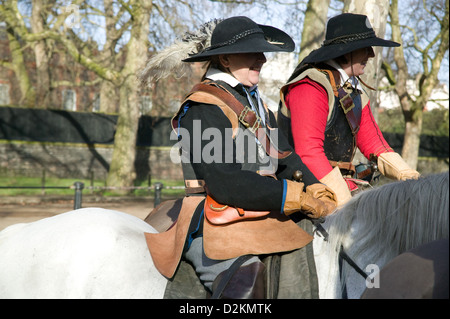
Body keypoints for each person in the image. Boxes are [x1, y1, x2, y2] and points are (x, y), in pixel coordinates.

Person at [141, 16, 337, 299]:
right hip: (213, 219)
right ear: (225, 58)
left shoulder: (256, 104)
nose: (263, 59)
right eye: (252, 52)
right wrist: (293, 196)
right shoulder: (202, 107)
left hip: (263, 208)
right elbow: (225, 182)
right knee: (249, 279)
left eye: (262, 52)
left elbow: (284, 157)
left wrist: (315, 186)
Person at [278, 13, 420, 206]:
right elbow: (309, 153)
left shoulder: (353, 90)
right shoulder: (310, 86)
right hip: (307, 194)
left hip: (340, 188)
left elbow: (375, 145)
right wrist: (346, 206)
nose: (371, 54)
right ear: (345, 51)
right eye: (364, 48)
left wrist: (412, 179)